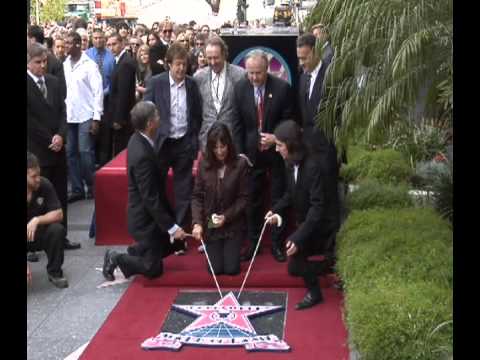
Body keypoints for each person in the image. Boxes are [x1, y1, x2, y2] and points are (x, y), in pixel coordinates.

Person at [102, 101, 187, 281]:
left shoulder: (137, 139)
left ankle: (138, 250)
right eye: (156, 116)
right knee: (153, 269)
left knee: (177, 244)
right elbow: (150, 198)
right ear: (149, 124)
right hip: (144, 221)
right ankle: (116, 258)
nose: (159, 119)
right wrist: (171, 227)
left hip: (149, 216)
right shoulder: (142, 155)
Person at [267, 120, 339, 310]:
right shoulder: (290, 163)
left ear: (290, 145)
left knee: (295, 264)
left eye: (279, 145)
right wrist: (275, 210)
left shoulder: (313, 166)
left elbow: (318, 208)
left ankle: (333, 267)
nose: (277, 150)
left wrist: (298, 238)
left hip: (321, 226)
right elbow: (291, 194)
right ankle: (315, 293)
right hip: (306, 225)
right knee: (294, 267)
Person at [232, 50, 293, 263]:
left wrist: (276, 138)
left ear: (267, 69)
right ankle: (254, 243)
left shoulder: (282, 89)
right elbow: (237, 124)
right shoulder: (240, 88)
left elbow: (290, 122)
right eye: (250, 73)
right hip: (251, 155)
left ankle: (277, 243)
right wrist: (240, 154)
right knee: (252, 201)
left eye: (258, 73)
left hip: (276, 154)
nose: (254, 78)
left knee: (278, 198)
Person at [144, 43, 203, 239]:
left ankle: (179, 234)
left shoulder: (192, 84)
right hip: (162, 143)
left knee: (183, 190)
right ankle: (162, 229)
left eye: (184, 64)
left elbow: (197, 114)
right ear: (169, 64)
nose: (180, 69)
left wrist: (192, 138)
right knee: (157, 187)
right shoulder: (156, 83)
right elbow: (145, 111)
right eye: (177, 64)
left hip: (184, 143)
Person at [27, 42, 81, 252]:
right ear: (29, 63)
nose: (42, 66)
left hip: (58, 149)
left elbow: (62, 111)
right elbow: (30, 121)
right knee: (35, 196)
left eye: (44, 62)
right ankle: (31, 244)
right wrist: (50, 138)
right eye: (37, 62)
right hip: (38, 150)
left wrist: (60, 135)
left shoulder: (54, 82)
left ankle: (61, 236)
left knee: (59, 194)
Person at [191, 123, 248, 275]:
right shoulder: (204, 164)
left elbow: (244, 198)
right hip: (212, 224)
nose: (219, 151)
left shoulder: (240, 164)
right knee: (215, 270)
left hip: (232, 224)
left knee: (231, 269)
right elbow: (197, 196)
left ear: (229, 144)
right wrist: (197, 223)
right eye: (215, 147)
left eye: (223, 146)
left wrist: (226, 216)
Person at [63, 31, 103, 203]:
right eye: (65, 43)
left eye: (69, 43)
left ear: (78, 44)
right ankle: (77, 188)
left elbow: (98, 92)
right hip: (69, 115)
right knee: (70, 152)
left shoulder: (89, 65)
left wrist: (97, 117)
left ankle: (93, 186)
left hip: (86, 114)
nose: (66, 46)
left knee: (85, 152)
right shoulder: (64, 64)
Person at [194, 36, 245, 153]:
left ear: (224, 55)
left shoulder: (240, 75)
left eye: (216, 58)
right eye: (209, 58)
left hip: (233, 142)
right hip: (207, 143)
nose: (212, 62)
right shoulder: (198, 77)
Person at [27, 152, 69, 288]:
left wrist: (37, 220)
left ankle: (55, 272)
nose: (38, 179)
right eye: (34, 176)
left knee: (57, 229)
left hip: (36, 234)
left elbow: (59, 213)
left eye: (38, 174)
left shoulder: (44, 184)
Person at [85, 28, 116, 166]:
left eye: (100, 38)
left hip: (107, 102)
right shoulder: (86, 55)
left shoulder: (111, 57)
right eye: (95, 38)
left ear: (105, 39)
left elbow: (113, 81)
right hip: (89, 103)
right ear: (92, 39)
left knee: (105, 137)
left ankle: (104, 165)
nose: (98, 40)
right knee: (91, 136)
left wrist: (102, 93)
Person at [106, 33, 137, 156]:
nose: (111, 48)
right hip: (120, 115)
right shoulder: (120, 61)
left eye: (114, 44)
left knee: (122, 150)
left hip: (123, 118)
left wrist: (119, 119)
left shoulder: (125, 63)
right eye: (109, 45)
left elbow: (123, 94)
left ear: (122, 44)